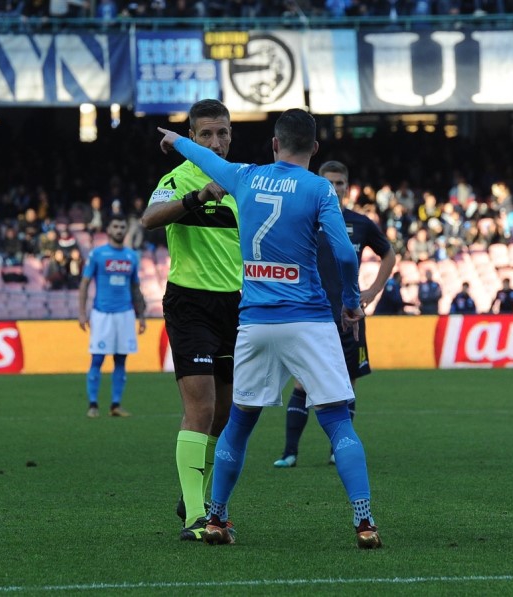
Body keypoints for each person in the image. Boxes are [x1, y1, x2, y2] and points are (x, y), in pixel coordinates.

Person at [158, 108, 382, 549]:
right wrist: (351, 301)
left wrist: (176, 140)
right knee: (337, 420)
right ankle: (364, 521)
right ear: (314, 148)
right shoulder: (319, 188)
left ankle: (216, 517)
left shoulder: (245, 175)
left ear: (275, 144)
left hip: (255, 321)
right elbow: (344, 254)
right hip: (308, 319)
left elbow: (205, 159)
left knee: (239, 422)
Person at [140, 99, 242, 542]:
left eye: (222, 133)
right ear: (192, 138)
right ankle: (197, 519)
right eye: (206, 134)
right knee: (199, 409)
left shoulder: (242, 182)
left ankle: (193, 495)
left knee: (225, 415)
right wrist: (197, 196)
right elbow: (149, 219)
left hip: (236, 307)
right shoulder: (177, 178)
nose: (215, 143)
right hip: (191, 304)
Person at [273, 160, 395, 469]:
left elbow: (389, 254)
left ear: (347, 187)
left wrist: (373, 291)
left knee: (347, 384)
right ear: (319, 184)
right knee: (302, 382)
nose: (335, 187)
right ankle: (289, 452)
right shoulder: (305, 219)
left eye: (340, 182)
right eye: (329, 182)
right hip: (312, 316)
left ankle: (336, 450)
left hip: (349, 318)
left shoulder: (360, 223)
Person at [78, 215, 147, 419]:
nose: (119, 230)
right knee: (98, 358)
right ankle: (93, 404)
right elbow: (84, 284)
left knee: (121, 359)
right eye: (115, 226)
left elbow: (135, 287)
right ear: (108, 229)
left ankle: (115, 404)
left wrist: (141, 315)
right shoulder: (97, 254)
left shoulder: (131, 256)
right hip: (102, 314)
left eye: (122, 227)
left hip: (125, 314)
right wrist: (82, 312)